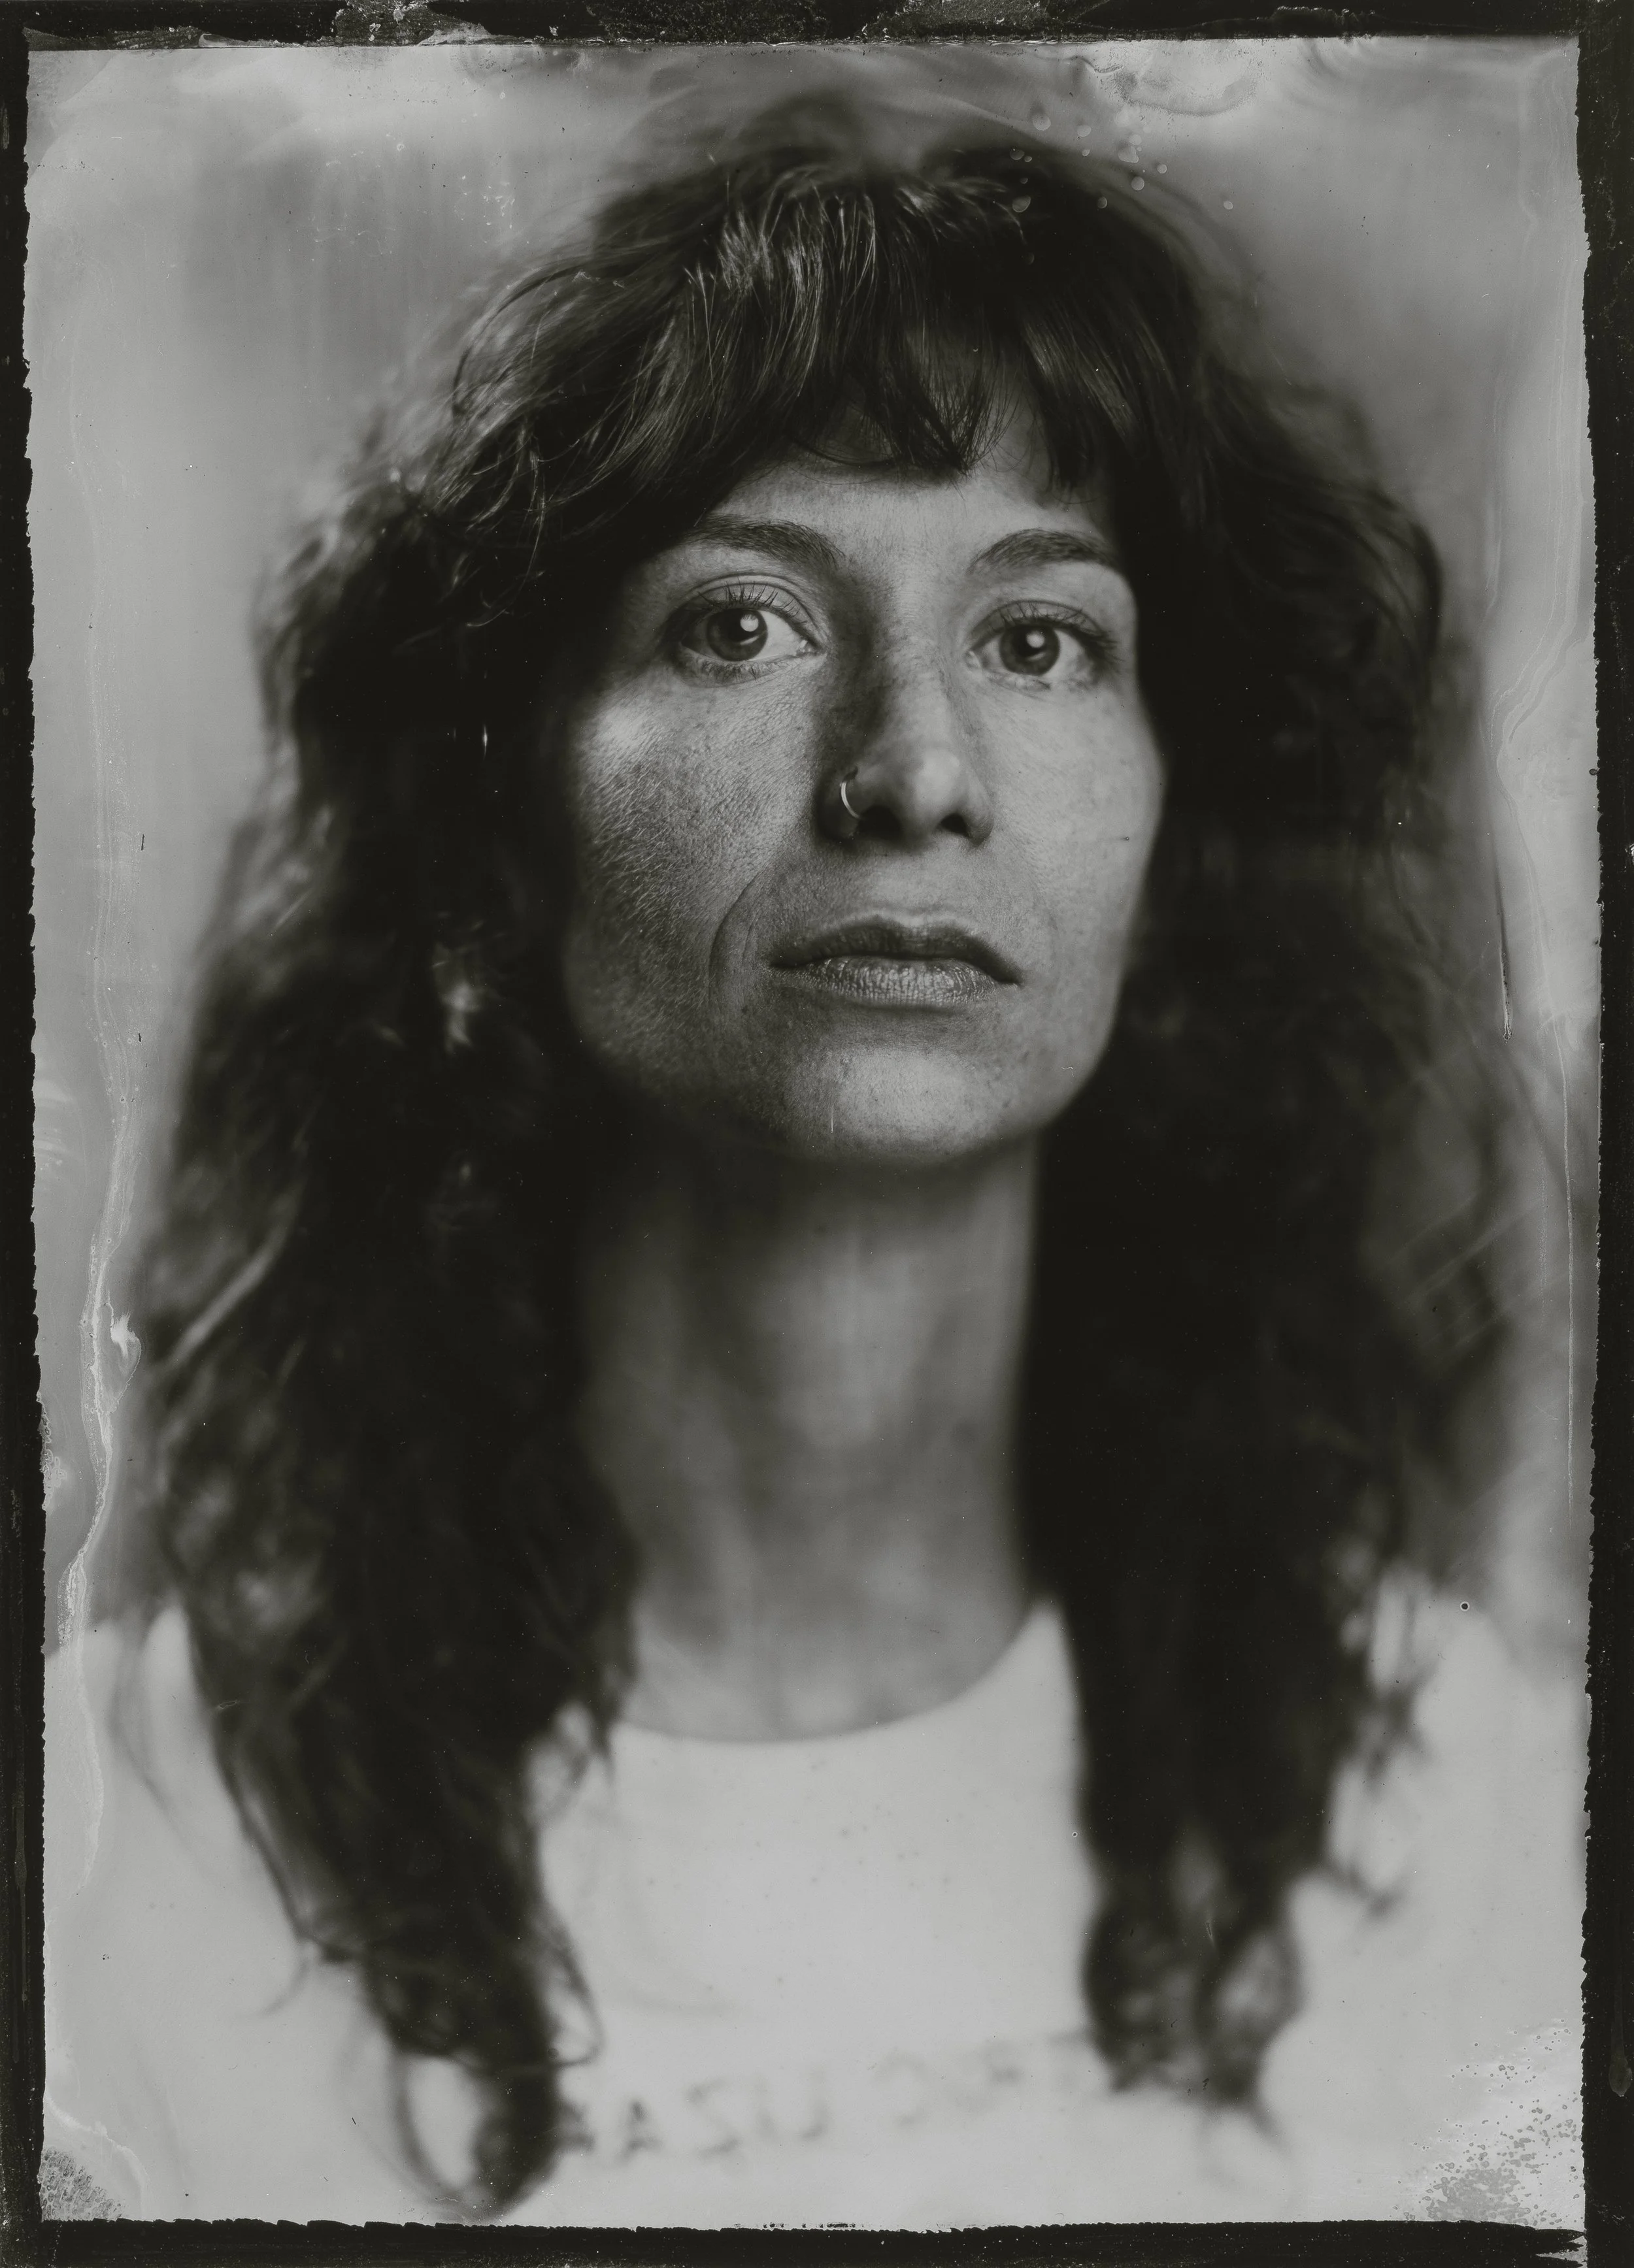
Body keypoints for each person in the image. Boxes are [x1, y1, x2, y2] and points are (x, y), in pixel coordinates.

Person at [42, 105, 1584, 2227]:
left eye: (1040, 639)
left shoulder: (1459, 1810)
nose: (916, 771)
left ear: (1168, 829)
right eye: (740, 624)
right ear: (503, 802)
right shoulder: (126, 1862)